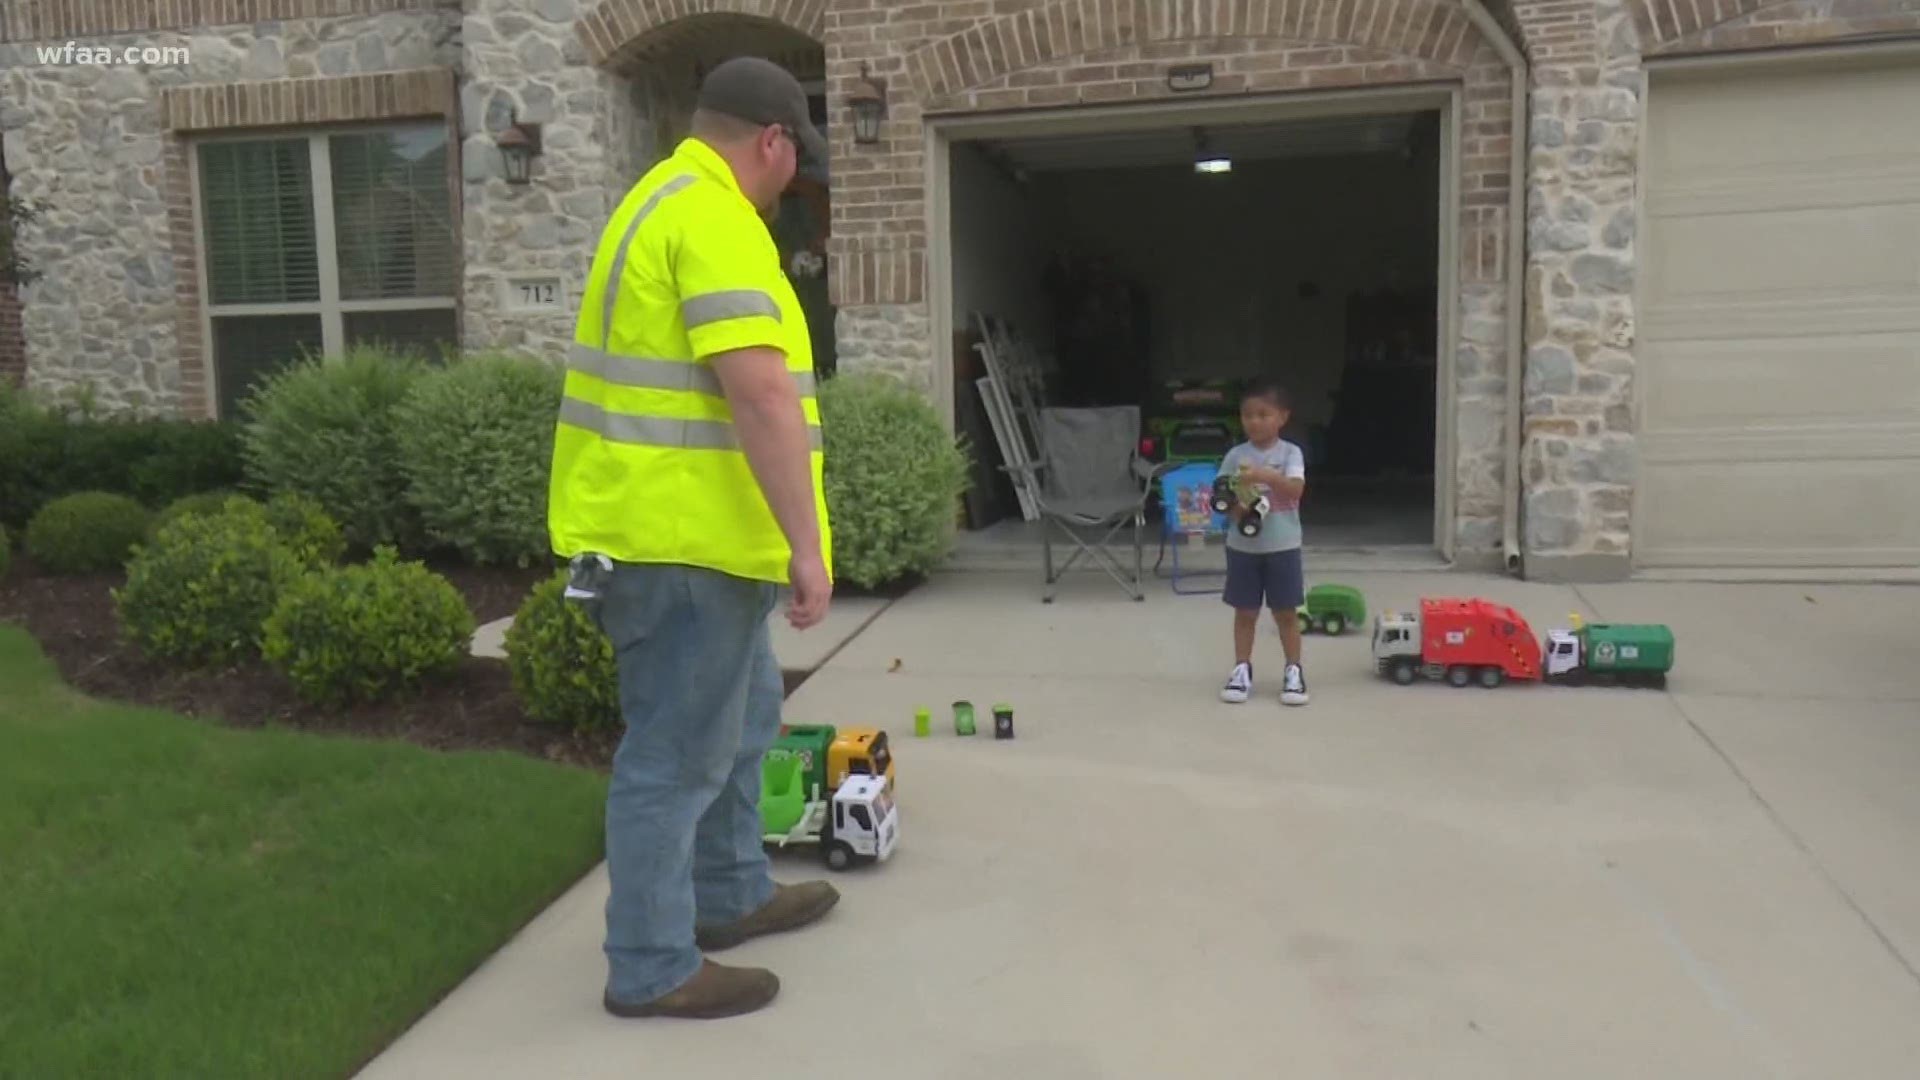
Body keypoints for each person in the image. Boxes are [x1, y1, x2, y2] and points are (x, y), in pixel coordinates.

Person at [545, 56, 837, 1021]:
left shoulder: (655, 200)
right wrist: (807, 543)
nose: (795, 179)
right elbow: (757, 390)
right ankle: (653, 965)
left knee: (743, 723)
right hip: (683, 545)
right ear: (772, 141)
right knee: (674, 760)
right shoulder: (714, 219)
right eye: (798, 156)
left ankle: (729, 894)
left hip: (686, 538)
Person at [1217, 381, 1310, 707]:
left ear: (1282, 417)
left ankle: (1293, 670)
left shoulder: (1290, 453)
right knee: (1245, 611)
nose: (1254, 421)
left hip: (1283, 545)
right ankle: (1241, 668)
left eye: (1263, 414)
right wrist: (1238, 509)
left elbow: (1296, 490)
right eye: (1247, 415)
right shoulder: (1234, 455)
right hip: (1243, 547)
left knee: (1286, 612)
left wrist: (1266, 476)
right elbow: (1221, 497)